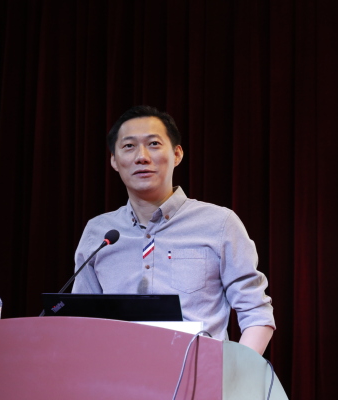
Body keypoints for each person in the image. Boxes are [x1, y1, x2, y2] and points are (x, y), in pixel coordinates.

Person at [72, 105, 275, 355]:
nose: (142, 157)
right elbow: (80, 321)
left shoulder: (219, 223)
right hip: (118, 373)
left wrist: (232, 372)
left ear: (177, 154)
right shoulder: (99, 232)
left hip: (198, 374)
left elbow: (256, 312)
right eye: (129, 146)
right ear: (114, 160)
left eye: (154, 144)